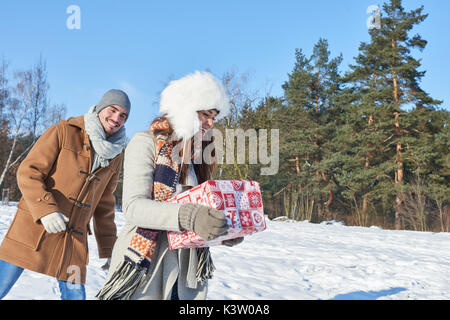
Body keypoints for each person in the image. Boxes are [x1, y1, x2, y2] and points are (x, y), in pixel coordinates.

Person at [96, 71, 243, 300]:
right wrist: (190, 217)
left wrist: (221, 231)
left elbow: (201, 212)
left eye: (214, 116)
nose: (211, 123)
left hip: (185, 276)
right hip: (146, 270)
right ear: (186, 109)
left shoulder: (196, 159)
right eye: (206, 114)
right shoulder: (144, 143)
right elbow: (134, 207)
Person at [0, 89, 131, 300]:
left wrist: (109, 250)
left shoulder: (116, 155)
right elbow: (28, 172)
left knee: (75, 296)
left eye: (123, 116)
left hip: (72, 241)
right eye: (113, 110)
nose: (116, 118)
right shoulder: (64, 131)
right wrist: (46, 210)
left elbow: (104, 205)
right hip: (33, 229)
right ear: (100, 108)